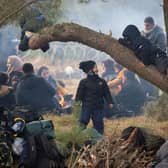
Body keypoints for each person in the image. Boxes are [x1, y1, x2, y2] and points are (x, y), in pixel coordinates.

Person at [75, 60, 114, 134]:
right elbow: (79, 94)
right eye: (95, 67)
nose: (97, 69)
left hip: (98, 107)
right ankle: (79, 137)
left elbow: (106, 93)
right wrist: (77, 103)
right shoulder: (84, 82)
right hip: (87, 106)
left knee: (98, 123)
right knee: (83, 122)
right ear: (90, 70)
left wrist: (110, 102)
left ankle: (99, 139)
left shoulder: (102, 81)